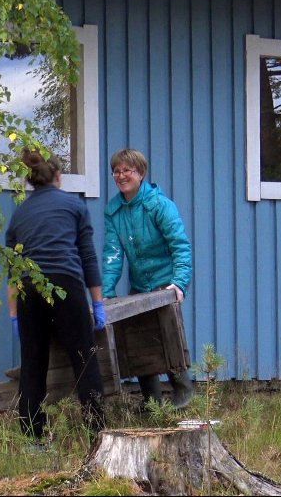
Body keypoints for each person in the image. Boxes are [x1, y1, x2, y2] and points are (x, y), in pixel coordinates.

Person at [6, 150, 107, 442]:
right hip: (66, 286)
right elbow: (87, 256)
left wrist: (15, 315)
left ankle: (33, 439)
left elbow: (13, 271)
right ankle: (97, 436)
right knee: (85, 360)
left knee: (33, 364)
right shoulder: (74, 206)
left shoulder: (19, 214)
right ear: (58, 176)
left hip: (29, 291)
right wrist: (97, 303)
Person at [102, 148, 195, 409]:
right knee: (138, 339)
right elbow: (112, 252)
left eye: (127, 170)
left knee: (168, 337)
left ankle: (184, 395)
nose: (121, 176)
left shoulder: (159, 204)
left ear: (140, 173)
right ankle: (151, 402)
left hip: (165, 283)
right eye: (117, 171)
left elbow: (180, 245)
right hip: (140, 285)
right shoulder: (114, 210)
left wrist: (179, 283)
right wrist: (107, 291)